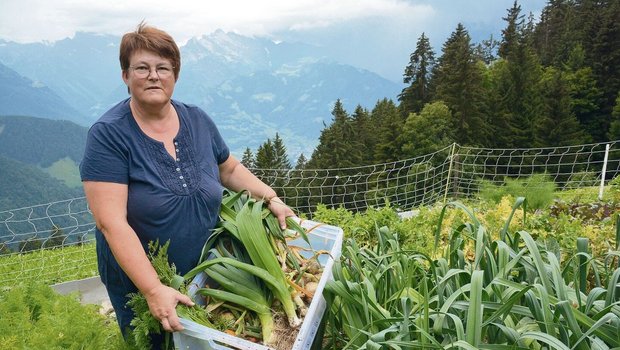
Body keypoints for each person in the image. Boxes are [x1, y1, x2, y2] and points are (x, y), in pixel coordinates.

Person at [79, 22, 294, 347]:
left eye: (163, 68)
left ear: (175, 76)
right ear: (125, 76)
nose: (154, 75)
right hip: (143, 283)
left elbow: (229, 169)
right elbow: (111, 223)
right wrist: (153, 289)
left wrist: (271, 197)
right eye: (142, 68)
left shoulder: (197, 120)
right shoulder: (108, 136)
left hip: (204, 271)